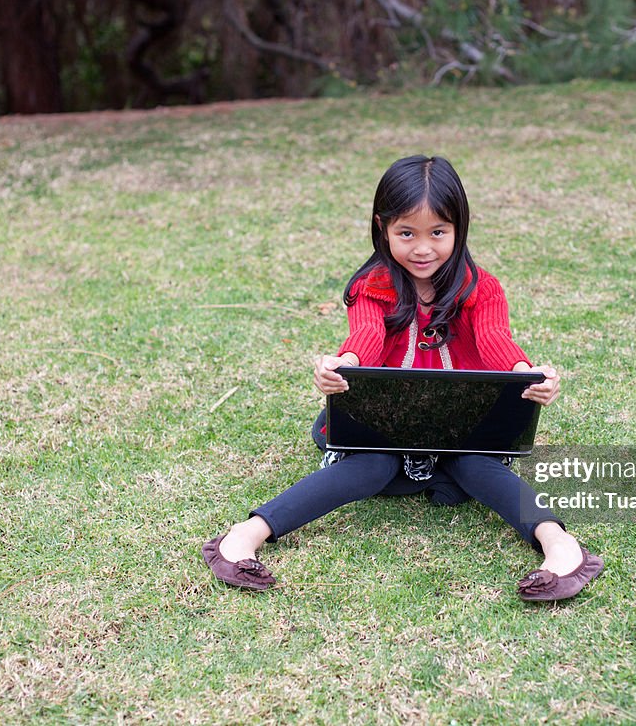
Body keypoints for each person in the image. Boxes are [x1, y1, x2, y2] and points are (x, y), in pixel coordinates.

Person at [203, 155, 603, 601]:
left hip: (456, 429)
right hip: (385, 429)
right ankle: (245, 535)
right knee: (375, 464)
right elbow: (368, 335)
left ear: (460, 228)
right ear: (383, 228)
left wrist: (525, 375)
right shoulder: (371, 286)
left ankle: (559, 544)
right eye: (406, 233)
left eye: (438, 232)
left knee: (474, 463)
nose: (423, 248)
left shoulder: (481, 288)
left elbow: (494, 338)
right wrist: (344, 364)